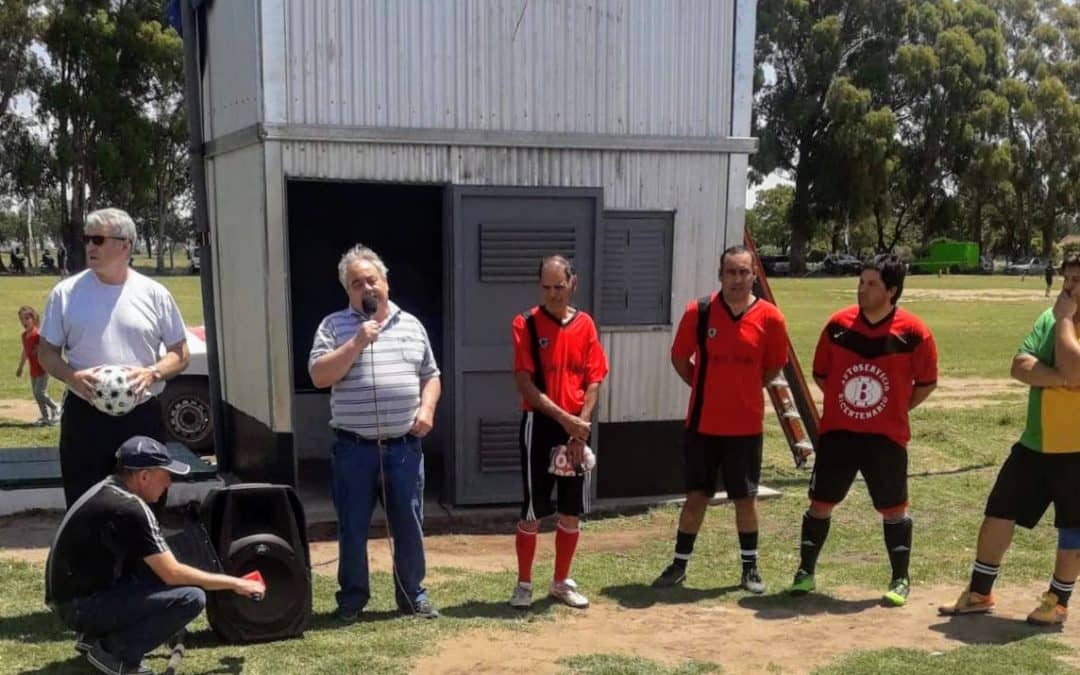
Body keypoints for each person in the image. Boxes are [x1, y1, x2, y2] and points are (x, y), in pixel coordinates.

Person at [787, 254, 938, 606]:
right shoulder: (838, 326)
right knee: (820, 503)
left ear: (892, 290)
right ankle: (805, 572)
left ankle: (900, 578)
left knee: (893, 508)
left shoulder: (914, 332)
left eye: (871, 284)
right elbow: (822, 374)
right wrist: (849, 405)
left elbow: (926, 383)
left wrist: (894, 407)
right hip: (839, 433)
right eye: (861, 282)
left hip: (886, 437)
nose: (862, 289)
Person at [45, 436, 265, 675]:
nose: (169, 482)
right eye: (165, 474)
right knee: (191, 597)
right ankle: (113, 652)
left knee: (156, 573)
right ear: (144, 477)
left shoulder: (107, 490)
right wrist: (236, 583)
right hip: (81, 606)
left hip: (72, 601)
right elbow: (172, 573)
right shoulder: (131, 509)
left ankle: (95, 636)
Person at [939, 254, 1080, 626]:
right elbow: (1020, 366)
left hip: (1077, 451)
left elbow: (1075, 366)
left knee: (1072, 529)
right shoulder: (1048, 320)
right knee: (998, 513)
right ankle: (979, 592)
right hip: (1034, 443)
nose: (1069, 288)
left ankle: (1057, 601)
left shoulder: (1059, 319)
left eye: (1077, 280)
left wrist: (1065, 324)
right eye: (1067, 279)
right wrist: (1064, 379)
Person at [309, 244, 442, 621]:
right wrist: (356, 342)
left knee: (409, 524)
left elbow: (431, 375)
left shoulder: (412, 325)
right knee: (352, 527)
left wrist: (427, 409)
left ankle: (412, 595)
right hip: (354, 449)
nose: (366, 288)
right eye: (356, 284)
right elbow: (319, 376)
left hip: (403, 447)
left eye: (372, 280)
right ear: (347, 292)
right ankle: (352, 599)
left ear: (385, 281)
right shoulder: (333, 326)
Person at [653, 245, 789, 593]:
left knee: (745, 498)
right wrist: (706, 386)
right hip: (703, 424)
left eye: (744, 272)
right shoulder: (698, 313)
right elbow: (681, 360)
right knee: (696, 496)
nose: (738, 279)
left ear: (754, 275)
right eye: (731, 272)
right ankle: (679, 565)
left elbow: (773, 367)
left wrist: (741, 388)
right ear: (720, 275)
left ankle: (750, 568)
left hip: (745, 426)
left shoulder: (771, 318)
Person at [37, 208, 190, 508]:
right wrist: (72, 377)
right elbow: (46, 353)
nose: (90, 246)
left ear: (125, 244)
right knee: (86, 507)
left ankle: (143, 557)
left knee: (146, 508)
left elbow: (179, 353)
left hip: (141, 415)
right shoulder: (65, 294)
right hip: (86, 416)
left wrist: (152, 374)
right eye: (87, 239)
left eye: (98, 239)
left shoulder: (154, 294)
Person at [508, 255, 609, 610]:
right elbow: (525, 383)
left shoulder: (586, 325)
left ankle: (560, 582)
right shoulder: (526, 324)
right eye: (547, 287)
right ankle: (523, 584)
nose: (553, 294)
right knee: (533, 509)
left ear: (573, 284)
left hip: (577, 427)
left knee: (571, 509)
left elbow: (594, 377)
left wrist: (580, 426)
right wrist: (565, 420)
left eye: (560, 287)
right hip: (541, 424)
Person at [16, 305, 61, 426]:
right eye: (21, 319)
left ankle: (56, 407)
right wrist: (20, 367)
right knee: (37, 395)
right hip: (33, 370)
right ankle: (45, 417)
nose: (24, 322)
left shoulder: (38, 335)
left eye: (26, 318)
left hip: (43, 369)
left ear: (33, 318)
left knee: (40, 393)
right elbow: (25, 352)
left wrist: (41, 350)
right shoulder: (24, 336)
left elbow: (48, 347)